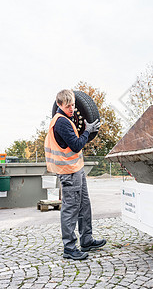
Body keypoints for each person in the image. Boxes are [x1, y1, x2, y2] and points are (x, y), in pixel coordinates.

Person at [44, 89, 106, 260]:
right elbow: (77, 145)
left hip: (76, 169)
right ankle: (69, 247)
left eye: (72, 105)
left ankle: (86, 239)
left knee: (84, 205)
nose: (72, 108)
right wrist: (87, 130)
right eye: (67, 105)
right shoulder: (61, 122)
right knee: (71, 209)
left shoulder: (68, 119)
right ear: (59, 104)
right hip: (68, 172)